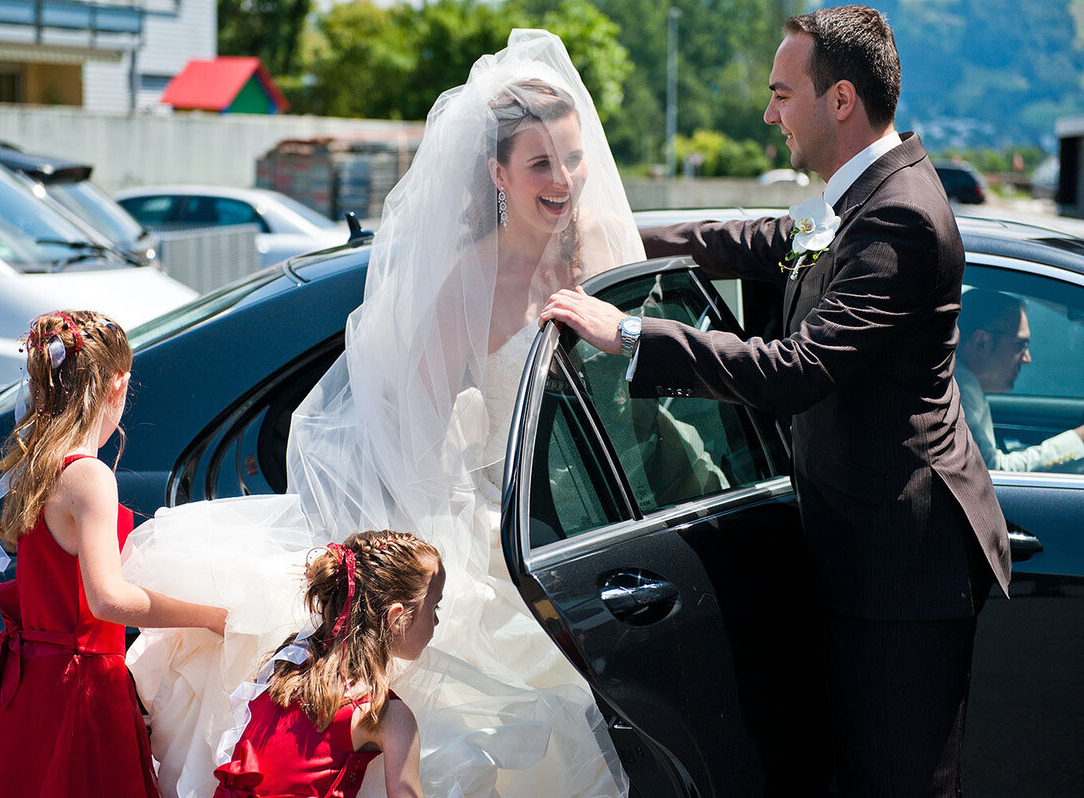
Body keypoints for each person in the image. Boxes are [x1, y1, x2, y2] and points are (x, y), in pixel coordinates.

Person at [119, 29, 644, 798]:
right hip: (513, 531)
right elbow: (414, 431)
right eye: (540, 163)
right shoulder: (470, 281)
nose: (563, 178)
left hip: (603, 508)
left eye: (571, 157)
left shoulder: (598, 244)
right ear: (498, 173)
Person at [541, 6, 1010, 796]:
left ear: (841, 100)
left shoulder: (898, 215)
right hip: (863, 551)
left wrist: (627, 331)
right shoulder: (858, 196)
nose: (768, 113)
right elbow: (762, 242)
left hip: (899, 566)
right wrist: (621, 236)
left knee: (898, 782)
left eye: (781, 93)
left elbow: (797, 368)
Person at [0, 310, 228, 798]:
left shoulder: (33, 467)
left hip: (28, 692)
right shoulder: (89, 476)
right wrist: (209, 616)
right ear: (118, 385)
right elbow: (107, 599)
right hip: (79, 688)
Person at [212, 531, 441, 798]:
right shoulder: (387, 715)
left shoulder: (288, 666)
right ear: (397, 618)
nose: (436, 622)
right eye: (434, 608)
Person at [956, 288, 1084, 470]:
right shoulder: (958, 397)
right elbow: (994, 471)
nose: (1027, 358)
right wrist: (1079, 440)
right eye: (1021, 345)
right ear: (981, 343)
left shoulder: (964, 387)